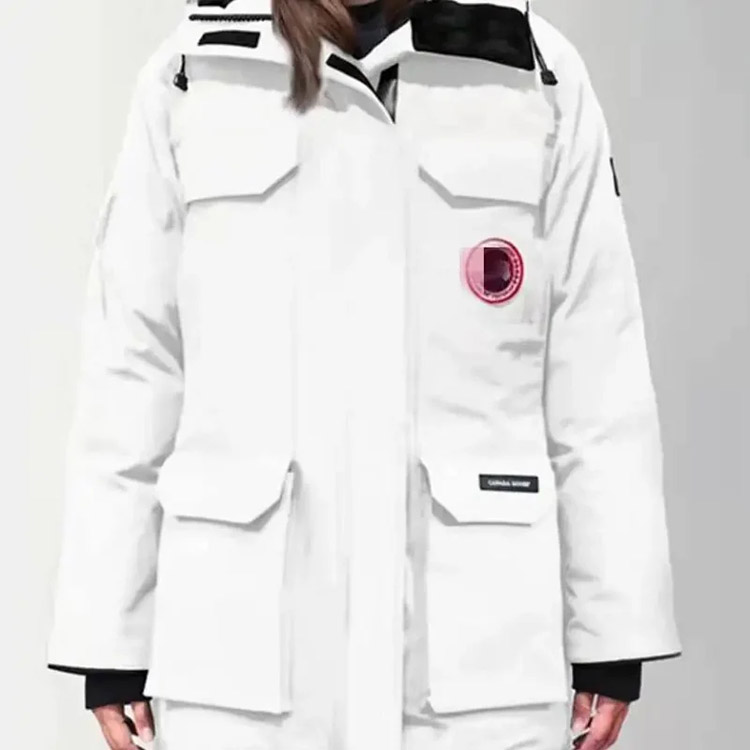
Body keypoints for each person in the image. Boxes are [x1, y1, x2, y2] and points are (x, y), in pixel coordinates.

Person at [46, 0, 682, 748]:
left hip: (476, 666)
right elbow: (133, 361)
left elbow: (597, 363)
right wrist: (111, 637)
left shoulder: (532, 71)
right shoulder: (197, 71)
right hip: (243, 665)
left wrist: (612, 630)